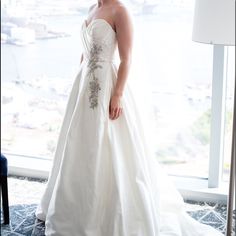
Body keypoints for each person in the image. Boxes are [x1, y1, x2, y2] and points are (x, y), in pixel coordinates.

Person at [36, 1, 224, 235]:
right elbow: (85, 52)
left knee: (109, 146)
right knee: (78, 143)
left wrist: (117, 95)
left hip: (107, 85)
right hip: (85, 85)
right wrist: (79, 81)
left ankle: (105, 214)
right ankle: (73, 208)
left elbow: (127, 59)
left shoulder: (120, 11)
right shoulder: (92, 8)